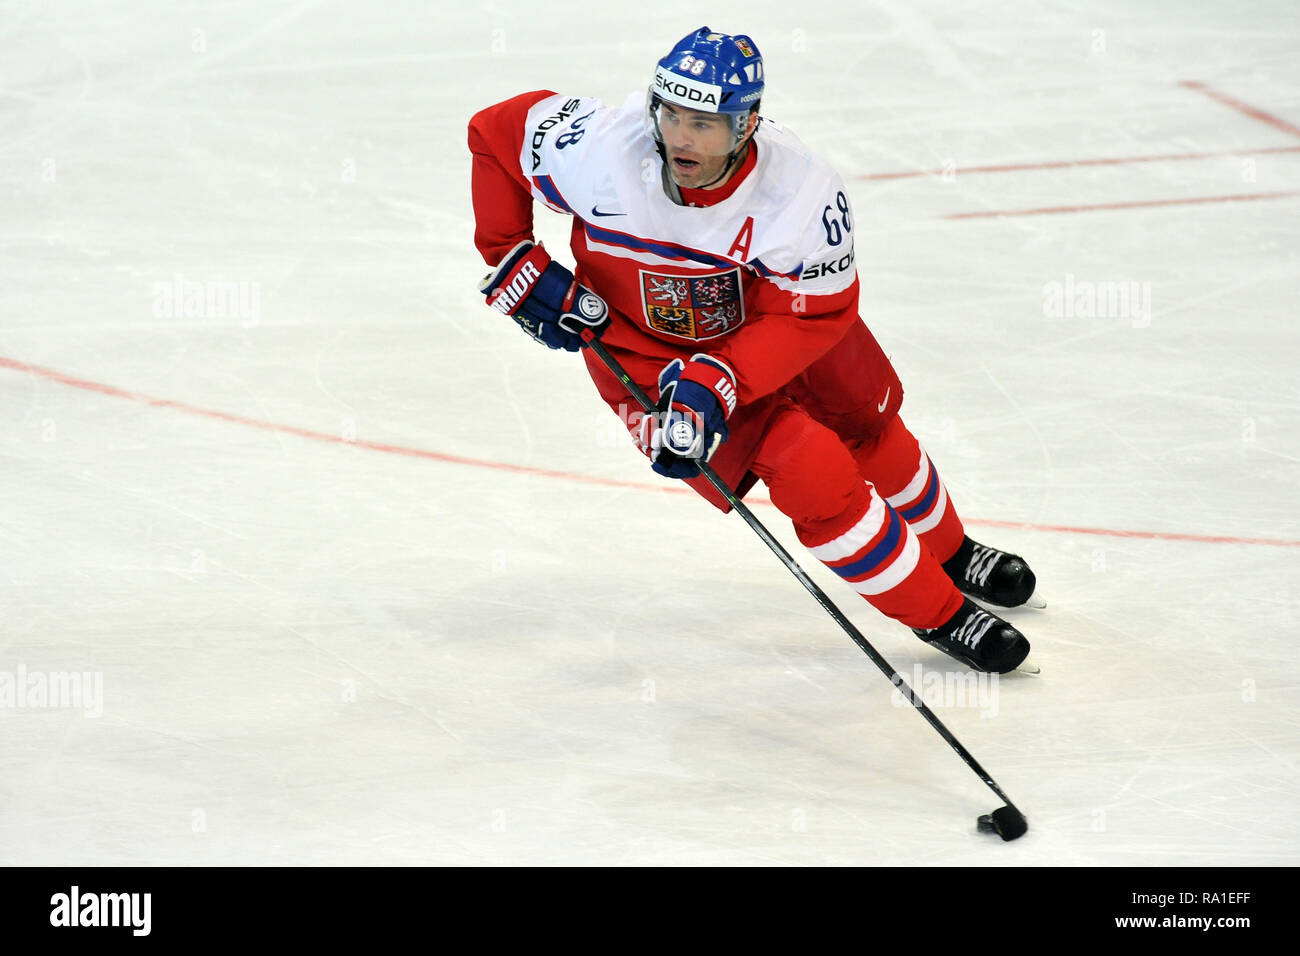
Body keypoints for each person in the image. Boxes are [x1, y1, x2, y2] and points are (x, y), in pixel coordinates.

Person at [468, 27, 1039, 673]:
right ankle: (943, 613)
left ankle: (951, 551)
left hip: (780, 322)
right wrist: (510, 252)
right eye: (672, 114)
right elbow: (494, 132)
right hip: (648, 351)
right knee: (810, 471)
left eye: (706, 123)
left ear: (747, 126)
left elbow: (818, 311)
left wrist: (727, 374)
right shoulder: (602, 149)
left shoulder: (798, 191)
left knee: (869, 427)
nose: (683, 137)